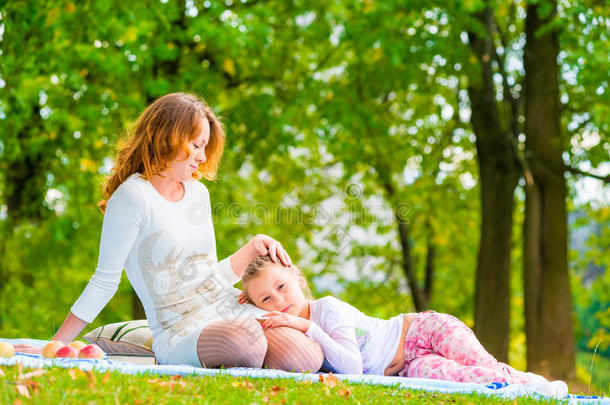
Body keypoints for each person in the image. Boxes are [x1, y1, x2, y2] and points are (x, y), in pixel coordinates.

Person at [16, 92, 322, 372]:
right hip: (179, 329)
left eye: (205, 147)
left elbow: (207, 280)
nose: (202, 157)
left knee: (303, 356)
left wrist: (251, 249)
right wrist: (53, 345)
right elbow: (104, 282)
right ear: (169, 138)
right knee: (245, 339)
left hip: (223, 308)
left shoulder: (198, 194)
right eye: (196, 145)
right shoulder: (132, 197)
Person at [240, 256, 568, 397]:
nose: (278, 301)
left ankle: (541, 386)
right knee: (466, 380)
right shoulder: (291, 335)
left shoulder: (326, 309)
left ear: (297, 278)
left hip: (420, 330)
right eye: (265, 299)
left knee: (482, 363)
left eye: (281, 287)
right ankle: (527, 390)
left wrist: (305, 326)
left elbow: (352, 367)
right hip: (406, 368)